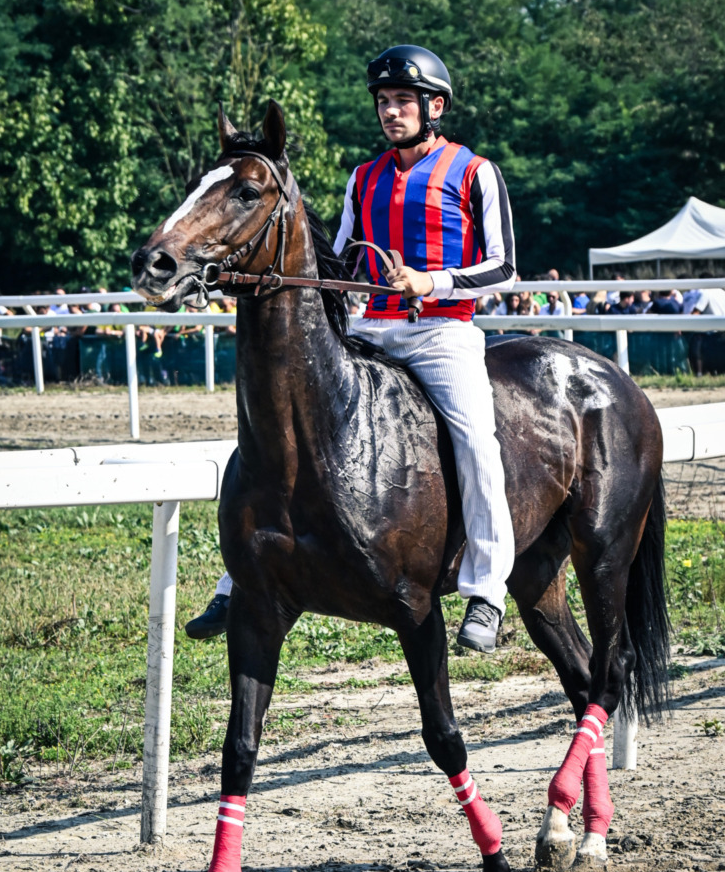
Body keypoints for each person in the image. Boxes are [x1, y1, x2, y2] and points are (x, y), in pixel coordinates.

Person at [187, 44, 517, 654]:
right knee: (284, 428)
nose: (391, 112)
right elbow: (333, 262)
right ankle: (238, 576)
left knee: (476, 439)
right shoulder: (362, 178)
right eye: (384, 102)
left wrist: (430, 281)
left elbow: (505, 270)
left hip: (443, 333)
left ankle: (488, 590)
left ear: (434, 107)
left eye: (403, 102)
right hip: (369, 327)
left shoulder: (476, 172)